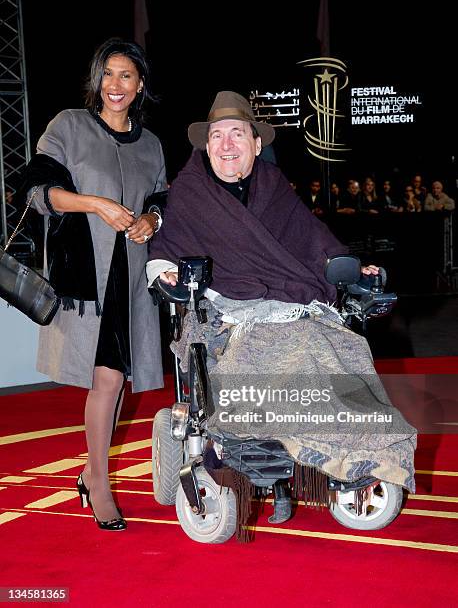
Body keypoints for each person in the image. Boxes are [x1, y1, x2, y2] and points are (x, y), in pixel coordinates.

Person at [146, 91, 416, 517]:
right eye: (217, 136)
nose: (227, 144)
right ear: (206, 145)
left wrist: (347, 267)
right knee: (290, 349)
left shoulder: (273, 187)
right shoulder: (189, 193)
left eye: (237, 134)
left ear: (256, 144)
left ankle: (359, 453)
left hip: (289, 302)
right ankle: (248, 450)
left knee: (342, 346)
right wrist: (163, 271)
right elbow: (165, 245)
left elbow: (313, 240)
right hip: (230, 311)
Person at [21, 38, 167, 531]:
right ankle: (99, 483)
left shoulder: (151, 144)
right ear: (96, 81)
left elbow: (165, 200)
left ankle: (90, 473)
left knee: (115, 379)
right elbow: (37, 191)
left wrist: (151, 218)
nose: (115, 85)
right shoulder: (70, 126)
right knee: (105, 378)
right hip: (88, 277)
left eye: (126, 75)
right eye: (107, 74)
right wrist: (96, 203)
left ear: (140, 84)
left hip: (134, 280)